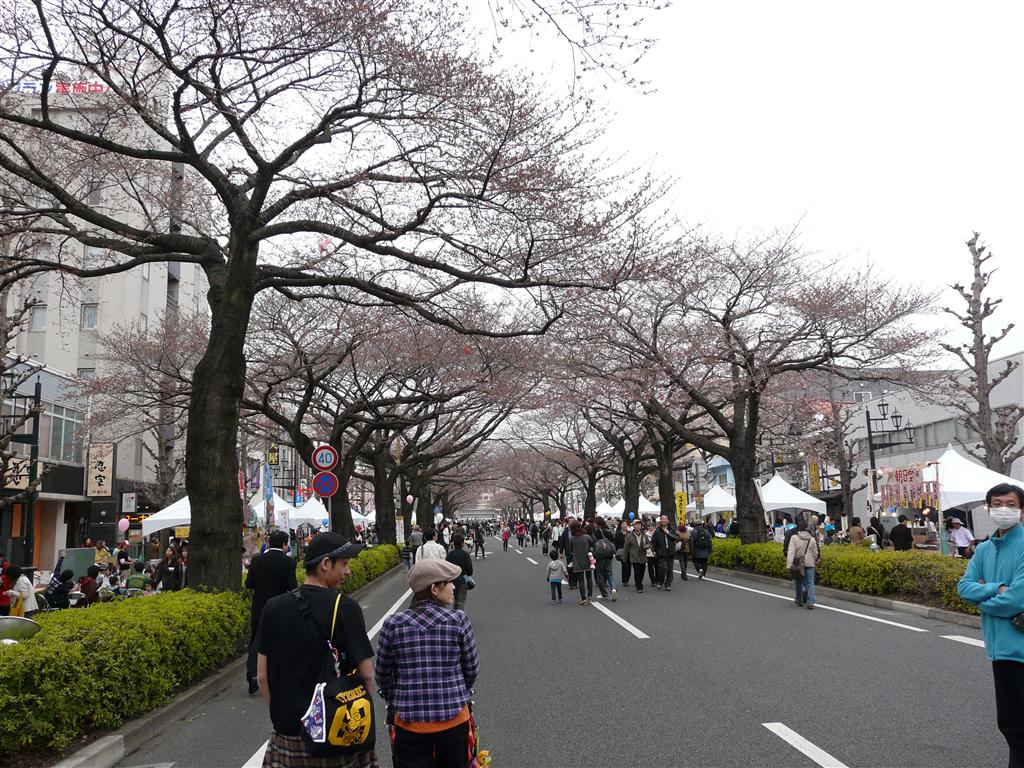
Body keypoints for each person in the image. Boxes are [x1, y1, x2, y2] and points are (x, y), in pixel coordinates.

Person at [256, 532, 376, 768]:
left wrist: (285, 718)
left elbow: (262, 676)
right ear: (325, 564)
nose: (348, 571)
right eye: (345, 564)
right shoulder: (345, 607)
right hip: (334, 735)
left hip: (287, 736)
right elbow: (368, 674)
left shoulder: (273, 607)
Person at [375, 559, 479, 768]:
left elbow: (382, 675)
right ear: (434, 588)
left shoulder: (393, 624)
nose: (453, 586)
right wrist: (455, 690)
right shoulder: (458, 620)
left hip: (410, 724)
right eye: (449, 582)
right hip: (454, 720)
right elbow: (471, 670)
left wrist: (397, 698)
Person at [957, 483, 1024, 768]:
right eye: (996, 504)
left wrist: (983, 599)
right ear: (988, 508)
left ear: (1021, 510)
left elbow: (1018, 598)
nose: (1003, 509)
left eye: (1010, 504)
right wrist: (998, 588)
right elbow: (964, 587)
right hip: (999, 651)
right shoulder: (983, 549)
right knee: (1011, 725)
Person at [245, 530, 297, 696]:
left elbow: (249, 584)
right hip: (280, 609)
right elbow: (292, 587)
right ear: (284, 545)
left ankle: (253, 675)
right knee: (279, 643)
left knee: (256, 643)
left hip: (259, 609)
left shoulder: (257, 561)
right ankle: (276, 677)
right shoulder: (288, 563)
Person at [786, 519, 821, 609]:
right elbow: (815, 553)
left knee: (799, 582)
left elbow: (791, 552)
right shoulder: (811, 538)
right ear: (806, 527)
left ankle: (799, 600)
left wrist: (789, 564)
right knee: (810, 583)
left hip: (798, 564)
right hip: (810, 564)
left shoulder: (794, 538)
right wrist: (814, 559)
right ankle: (810, 602)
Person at [568, 522, 595, 605]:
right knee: (589, 578)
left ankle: (583, 598)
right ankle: (590, 596)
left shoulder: (572, 539)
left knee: (581, 580)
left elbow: (571, 550)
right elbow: (593, 544)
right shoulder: (586, 537)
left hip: (577, 560)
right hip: (587, 559)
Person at [445, 533, 473, 611]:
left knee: (454, 600)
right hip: (462, 579)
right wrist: (469, 574)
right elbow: (469, 569)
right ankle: (460, 618)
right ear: (462, 543)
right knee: (461, 601)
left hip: (451, 580)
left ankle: (455, 615)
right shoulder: (465, 554)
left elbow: (446, 568)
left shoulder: (450, 555)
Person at [652, 515, 679, 591]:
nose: (664, 520)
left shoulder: (672, 529)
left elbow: (677, 537)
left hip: (670, 552)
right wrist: (653, 550)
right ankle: (660, 581)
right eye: (662, 519)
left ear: (668, 521)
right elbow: (653, 542)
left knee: (670, 569)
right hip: (661, 553)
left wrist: (668, 533)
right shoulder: (657, 531)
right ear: (660, 521)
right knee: (662, 568)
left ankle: (668, 583)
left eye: (665, 519)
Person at [592, 519, 617, 601]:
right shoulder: (608, 531)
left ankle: (604, 594)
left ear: (598, 525)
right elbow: (613, 542)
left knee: (600, 575)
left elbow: (593, 543)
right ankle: (613, 588)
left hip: (600, 556)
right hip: (609, 555)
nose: (594, 525)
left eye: (595, 523)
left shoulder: (596, 532)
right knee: (610, 573)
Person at [624, 518, 649, 592]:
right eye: (636, 524)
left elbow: (648, 543)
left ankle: (638, 583)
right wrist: (624, 558)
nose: (638, 526)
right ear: (633, 526)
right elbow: (626, 548)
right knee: (637, 571)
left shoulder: (644, 535)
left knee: (642, 572)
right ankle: (639, 586)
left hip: (643, 556)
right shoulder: (629, 536)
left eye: (639, 524)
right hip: (634, 557)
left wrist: (648, 546)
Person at [615, 520, 630, 586]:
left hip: (629, 551)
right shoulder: (618, 533)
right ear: (621, 525)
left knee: (629, 566)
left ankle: (627, 578)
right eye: (623, 524)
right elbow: (616, 543)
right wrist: (616, 551)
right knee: (624, 565)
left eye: (625, 524)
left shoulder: (630, 533)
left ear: (627, 525)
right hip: (621, 552)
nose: (624, 525)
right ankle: (624, 580)